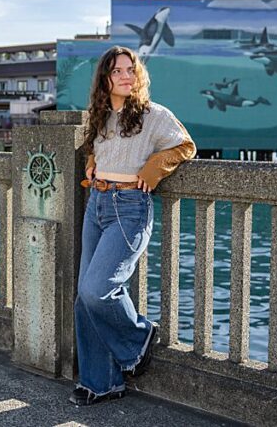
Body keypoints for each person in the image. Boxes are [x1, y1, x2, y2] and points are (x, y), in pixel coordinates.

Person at [71, 46, 196, 405]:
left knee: (99, 289)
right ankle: (102, 382)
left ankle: (139, 338)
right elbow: (95, 147)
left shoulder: (154, 115)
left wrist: (153, 170)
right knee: (85, 298)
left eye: (131, 70)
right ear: (105, 79)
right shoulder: (100, 116)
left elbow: (185, 146)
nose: (126, 76)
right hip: (97, 203)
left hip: (129, 208)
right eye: (117, 71)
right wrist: (92, 161)